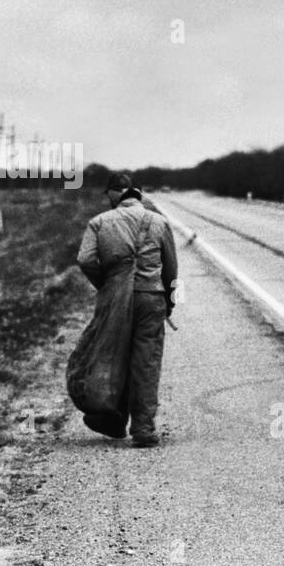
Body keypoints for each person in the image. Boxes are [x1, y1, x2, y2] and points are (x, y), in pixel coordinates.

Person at [74, 172, 179, 447]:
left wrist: (105, 284)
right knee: (146, 362)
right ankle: (143, 428)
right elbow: (172, 269)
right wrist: (169, 301)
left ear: (114, 194)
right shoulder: (159, 222)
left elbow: (84, 259)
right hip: (151, 297)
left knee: (111, 355)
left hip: (115, 298)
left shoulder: (98, 222)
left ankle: (112, 417)